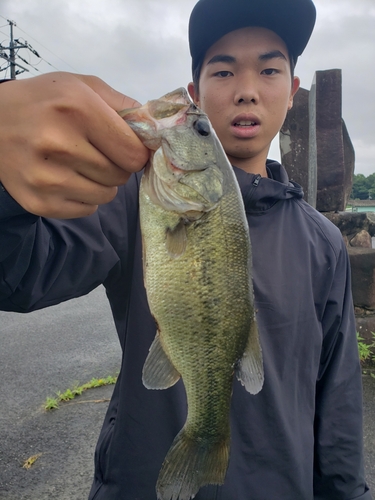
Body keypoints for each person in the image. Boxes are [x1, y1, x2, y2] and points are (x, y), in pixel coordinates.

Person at [0, 0, 372, 498]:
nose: (246, 90)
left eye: (268, 69)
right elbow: (19, 275)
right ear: (195, 92)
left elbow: (339, 399)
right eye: (223, 71)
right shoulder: (129, 202)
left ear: (291, 93)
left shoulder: (323, 243)